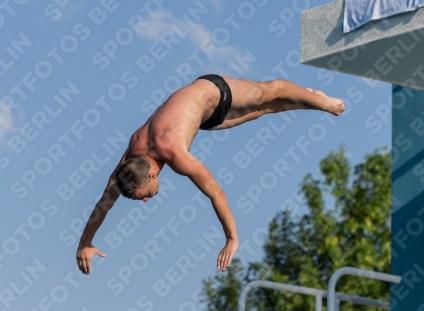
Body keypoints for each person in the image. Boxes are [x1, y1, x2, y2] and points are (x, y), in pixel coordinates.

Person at [76, 75, 345, 275]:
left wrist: (231, 238)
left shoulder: (174, 154)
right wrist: (85, 243)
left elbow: (215, 191)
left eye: (144, 196)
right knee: (260, 112)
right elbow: (105, 201)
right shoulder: (130, 163)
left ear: (152, 177)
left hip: (213, 91)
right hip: (202, 118)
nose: (146, 201)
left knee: (266, 93)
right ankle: (310, 97)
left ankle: (324, 102)